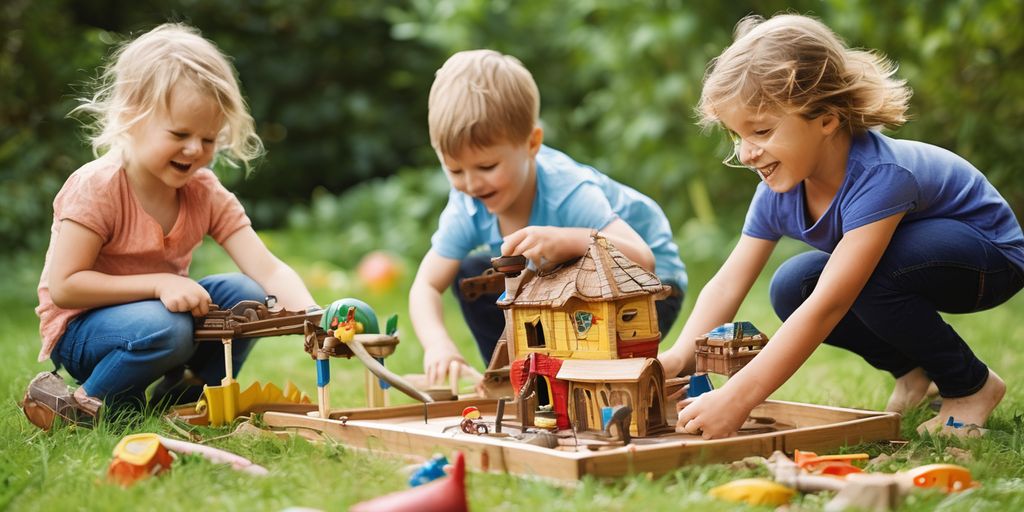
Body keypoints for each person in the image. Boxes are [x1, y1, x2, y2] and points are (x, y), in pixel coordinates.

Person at [664, 13, 1024, 438]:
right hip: (911, 258)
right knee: (791, 286)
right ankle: (914, 373)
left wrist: (738, 398)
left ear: (827, 119)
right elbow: (726, 284)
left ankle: (971, 386)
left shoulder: (879, 176)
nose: (746, 153)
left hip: (989, 257)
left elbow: (831, 303)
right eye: (735, 135)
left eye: (760, 130)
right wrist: (674, 360)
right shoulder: (778, 191)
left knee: (859, 281)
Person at [34, 23, 318, 415]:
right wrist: (159, 283)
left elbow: (267, 269)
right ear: (134, 117)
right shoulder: (97, 186)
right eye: (180, 133)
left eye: (208, 138)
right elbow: (65, 287)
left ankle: (189, 397)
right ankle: (83, 404)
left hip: (160, 318)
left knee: (246, 294)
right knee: (169, 327)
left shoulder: (203, 190)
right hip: (85, 331)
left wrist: (315, 318)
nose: (194, 149)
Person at [410, 49, 688, 386]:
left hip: (647, 286)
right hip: (561, 281)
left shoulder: (567, 189)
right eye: (454, 169)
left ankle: (582, 382)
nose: (471, 183)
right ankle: (513, 378)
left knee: (587, 366)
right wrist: (438, 345)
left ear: (532, 144)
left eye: (487, 167)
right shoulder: (467, 205)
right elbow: (426, 284)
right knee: (473, 276)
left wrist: (568, 239)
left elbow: (642, 261)